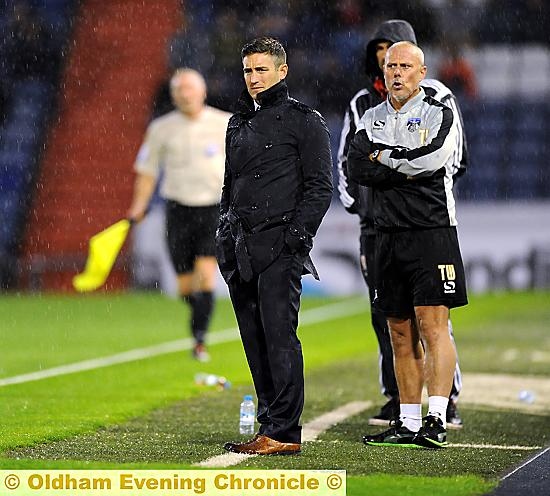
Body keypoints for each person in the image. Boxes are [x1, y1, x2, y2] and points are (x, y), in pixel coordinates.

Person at [337, 19, 466, 430]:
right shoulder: (367, 113)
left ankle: (439, 416)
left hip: (431, 230)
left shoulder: (439, 107)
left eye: (404, 65)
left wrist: (384, 160)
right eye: (389, 65)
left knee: (433, 325)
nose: (395, 72)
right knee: (397, 329)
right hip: (384, 232)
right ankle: (407, 419)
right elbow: (355, 164)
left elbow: (436, 159)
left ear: (421, 71)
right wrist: (401, 164)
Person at [217, 37, 333, 455]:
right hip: (240, 248)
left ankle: (284, 431)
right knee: (254, 338)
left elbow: (320, 189)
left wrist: (293, 240)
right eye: (248, 70)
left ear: (282, 71)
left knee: (280, 337)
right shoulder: (237, 123)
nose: (253, 78)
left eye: (261, 69)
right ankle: (270, 423)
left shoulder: (305, 120)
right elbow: (230, 188)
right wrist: (223, 237)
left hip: (279, 247)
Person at [127, 68, 231, 362]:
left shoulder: (223, 123)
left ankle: (199, 341)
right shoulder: (161, 128)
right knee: (185, 286)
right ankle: (199, 312)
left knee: (206, 276)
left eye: (190, 89)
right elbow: (147, 172)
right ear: (173, 96)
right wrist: (139, 206)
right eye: (179, 91)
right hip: (178, 210)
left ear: (202, 92)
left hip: (213, 208)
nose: (185, 95)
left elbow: (242, 168)